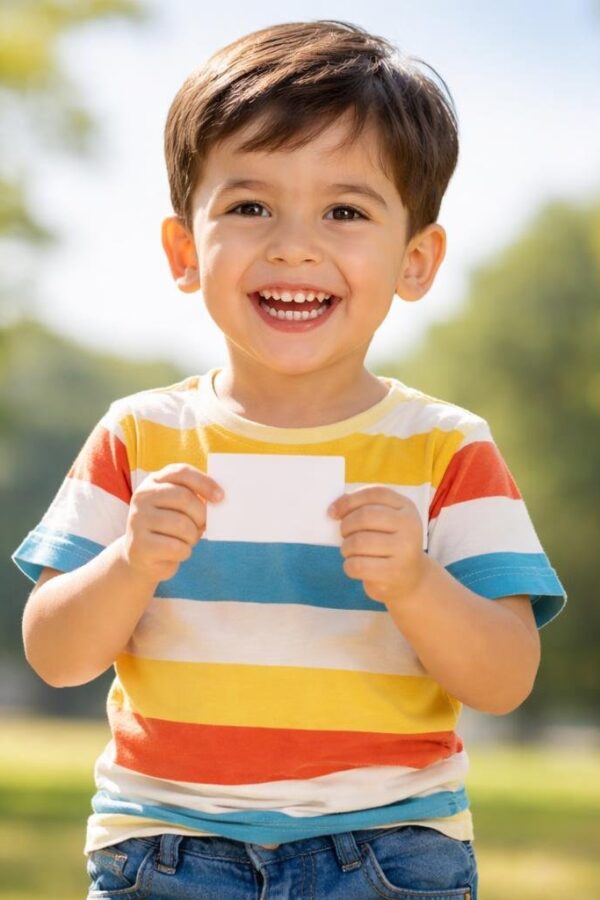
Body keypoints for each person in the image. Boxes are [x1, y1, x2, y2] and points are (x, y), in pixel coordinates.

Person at [12, 19, 567, 900]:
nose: (293, 244)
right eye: (250, 205)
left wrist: (418, 583)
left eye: (345, 210)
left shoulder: (447, 447)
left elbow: (504, 679)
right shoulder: (138, 434)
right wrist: (130, 562)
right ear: (184, 252)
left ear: (416, 260)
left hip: (389, 850)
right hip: (167, 846)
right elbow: (54, 653)